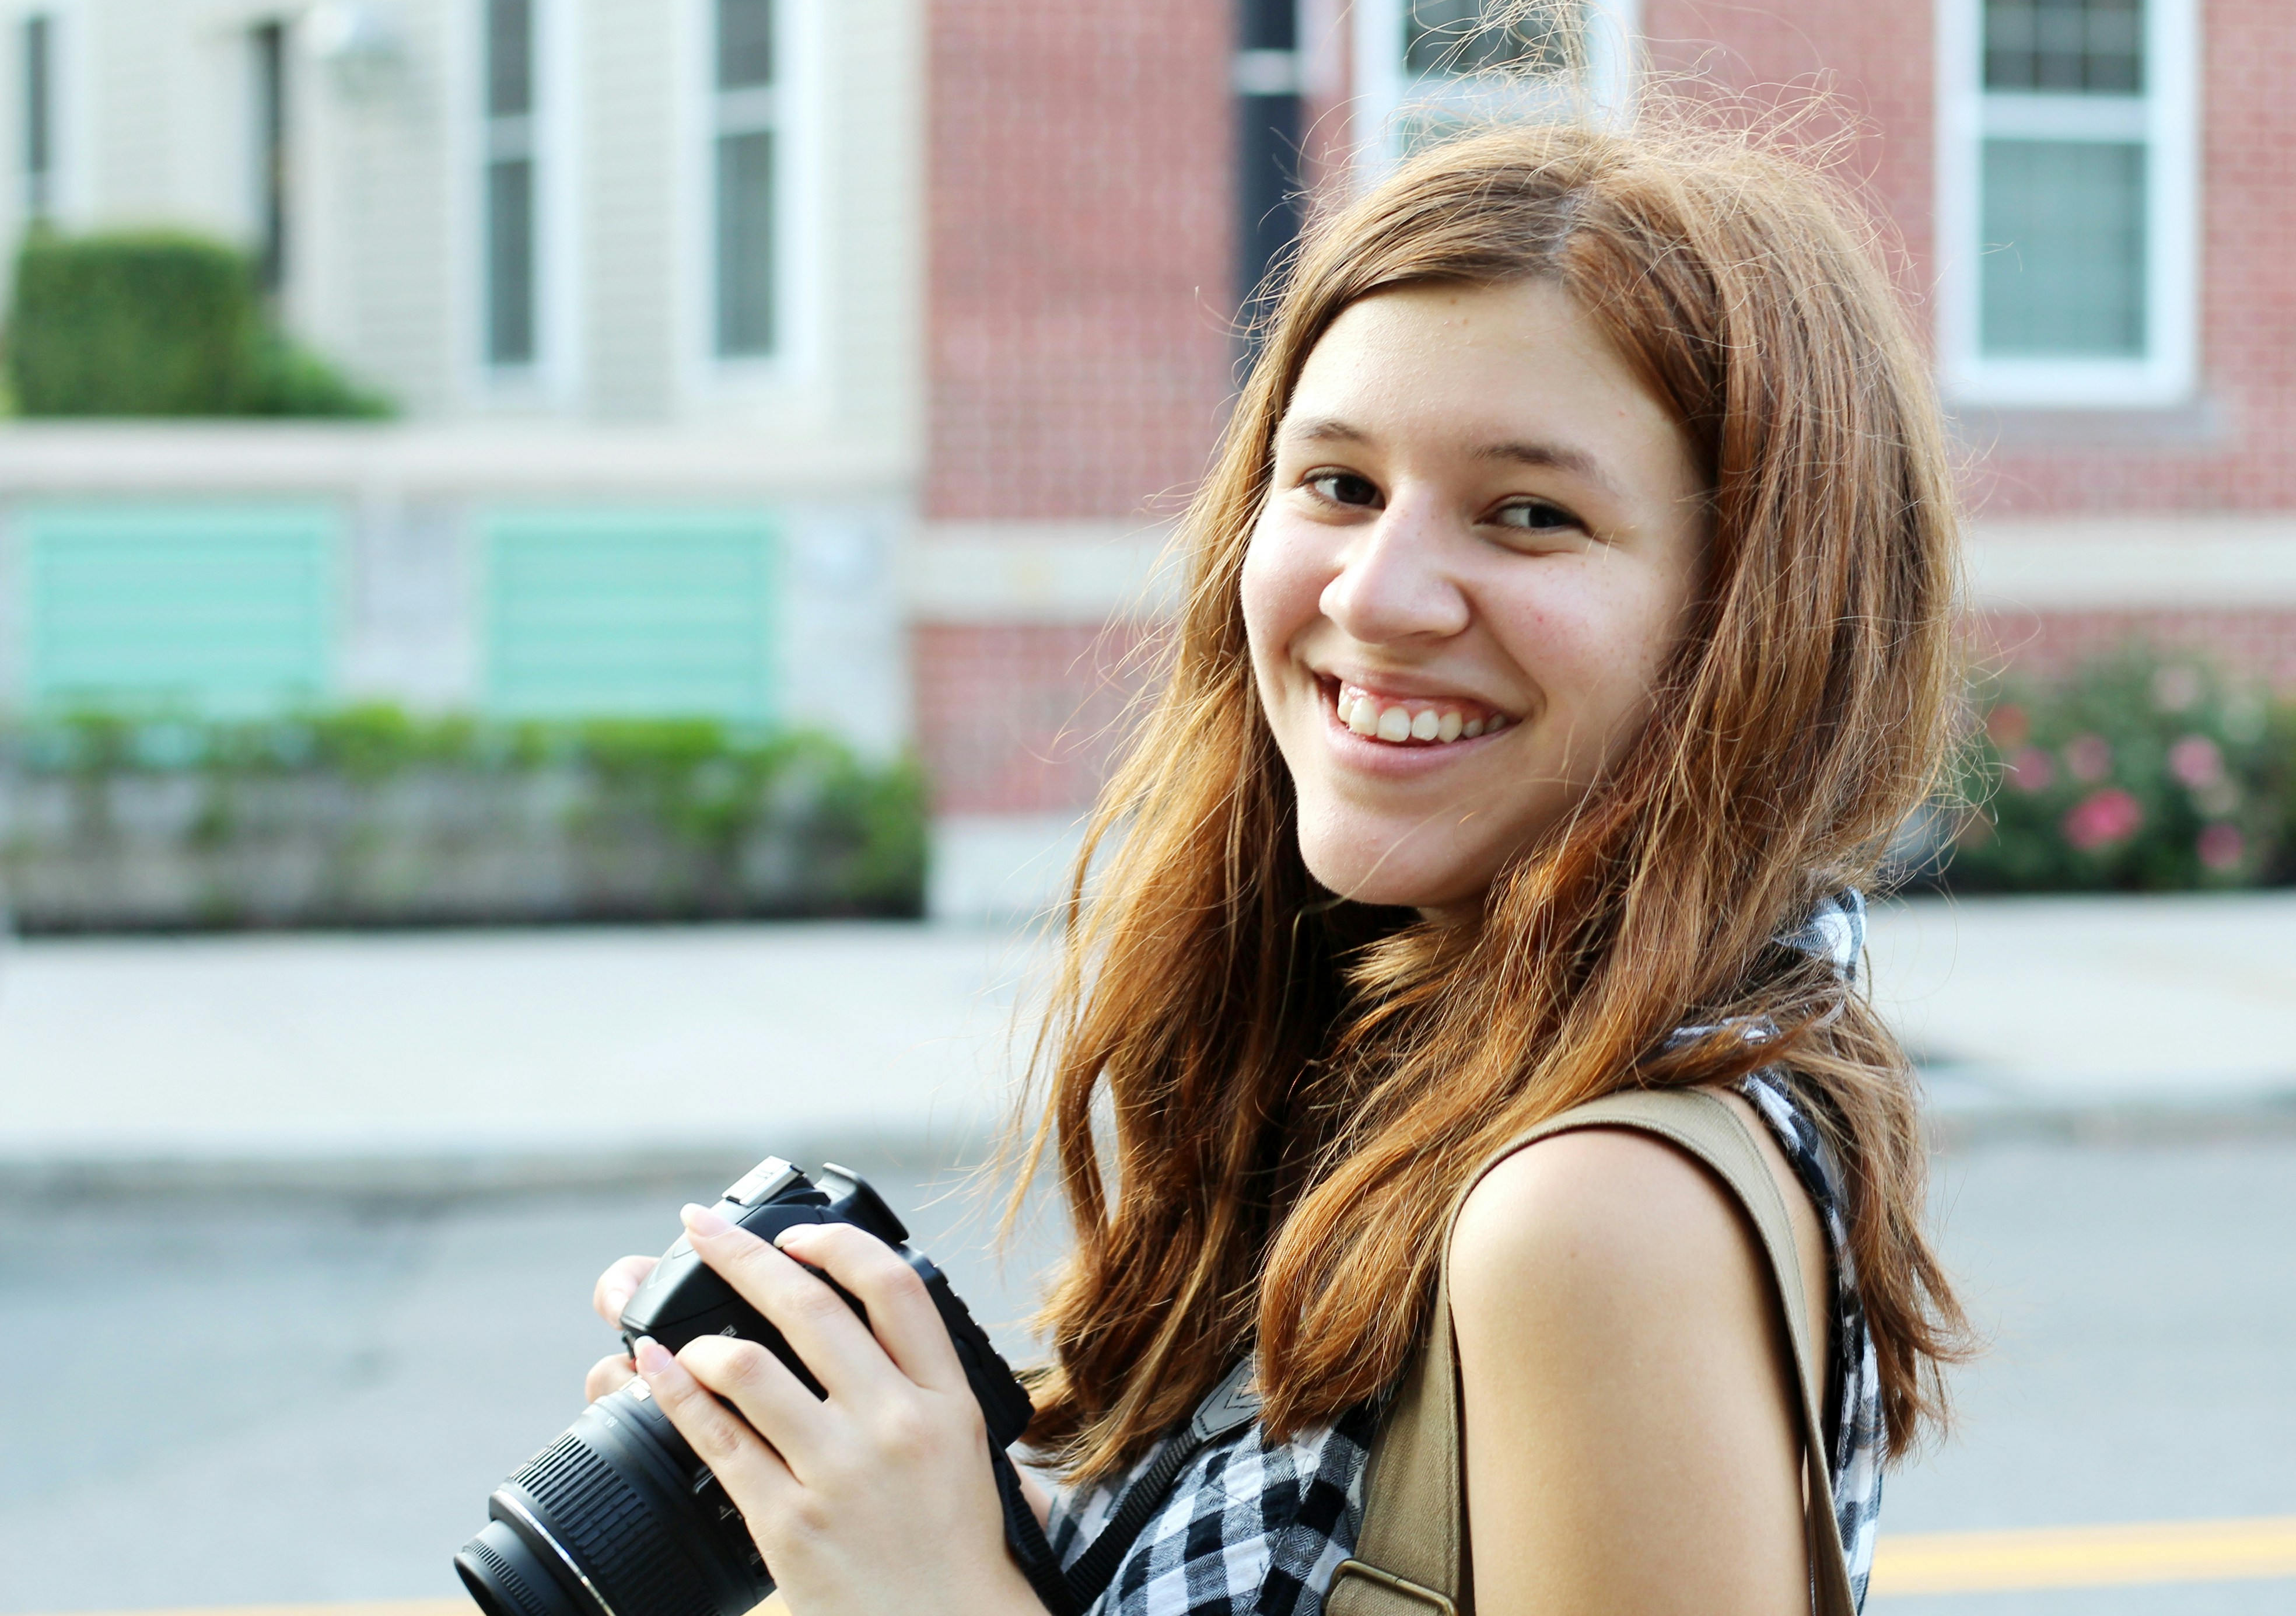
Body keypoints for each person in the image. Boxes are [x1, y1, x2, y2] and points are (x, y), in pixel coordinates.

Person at [584, 103, 1969, 1616]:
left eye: (1529, 514)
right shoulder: (1438, 1057)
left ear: (1763, 616)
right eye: (1339, 486)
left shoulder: (1592, 1213)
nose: (1375, 597)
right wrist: (916, 1513)